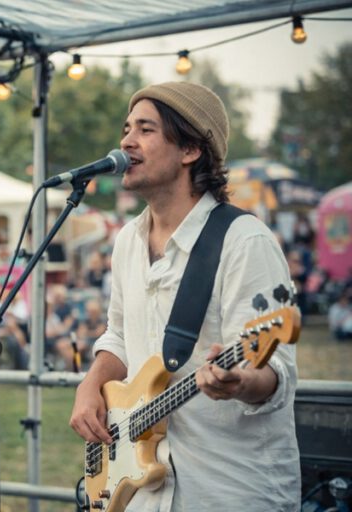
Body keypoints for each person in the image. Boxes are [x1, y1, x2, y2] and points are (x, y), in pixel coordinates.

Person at [69, 82, 300, 510]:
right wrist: (92, 383)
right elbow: (119, 335)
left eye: (145, 129)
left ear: (190, 149)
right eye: (126, 128)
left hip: (226, 489)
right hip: (142, 491)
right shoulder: (127, 243)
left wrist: (239, 381)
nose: (125, 140)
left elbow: (277, 375)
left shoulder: (244, 242)